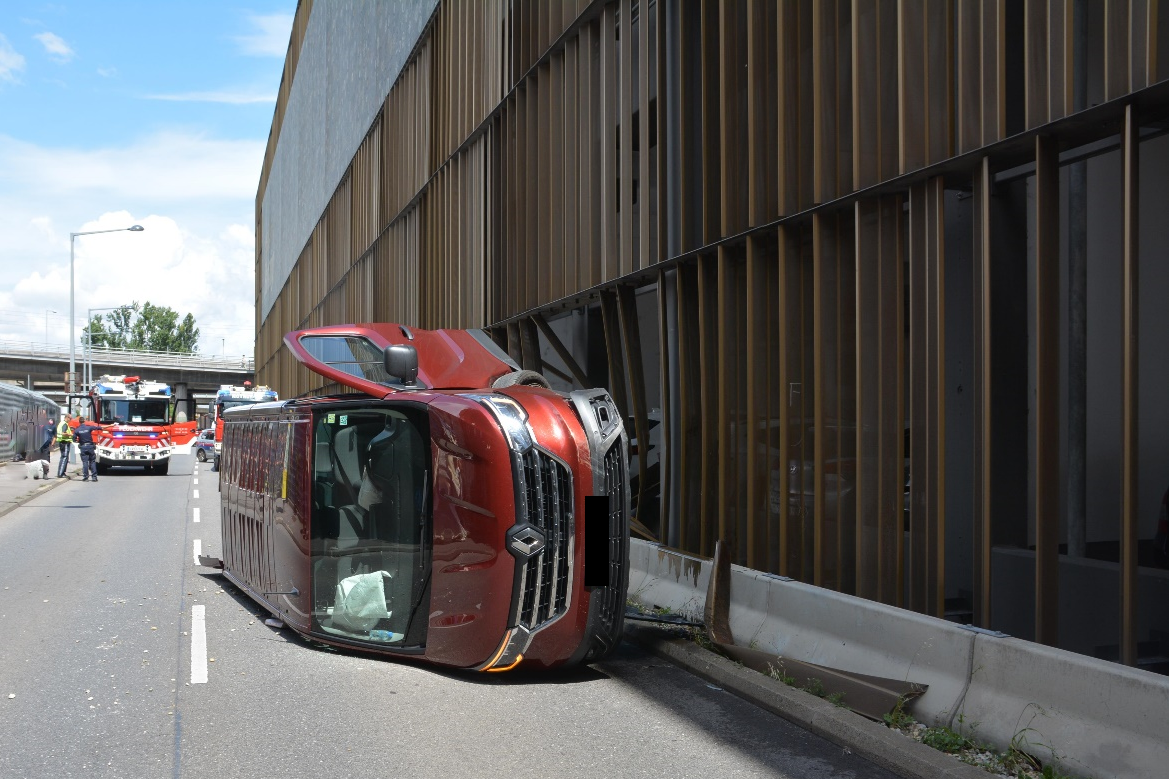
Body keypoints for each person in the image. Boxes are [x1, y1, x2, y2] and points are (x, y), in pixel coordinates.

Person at [73, 417, 103, 482]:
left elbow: (74, 439)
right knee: (92, 462)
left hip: (83, 447)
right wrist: (111, 425)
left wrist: (79, 441)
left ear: (79, 422)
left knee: (85, 462)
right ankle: (94, 477)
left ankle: (86, 477)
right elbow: (99, 428)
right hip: (90, 446)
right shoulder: (89, 428)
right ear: (84, 421)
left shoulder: (77, 430)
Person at [55, 412, 74, 478]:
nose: (71, 419)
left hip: (62, 442)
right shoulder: (65, 424)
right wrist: (71, 434)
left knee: (63, 457)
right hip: (65, 442)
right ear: (67, 417)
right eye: (70, 418)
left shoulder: (61, 423)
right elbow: (63, 433)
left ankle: (62, 473)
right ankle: (61, 473)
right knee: (64, 457)